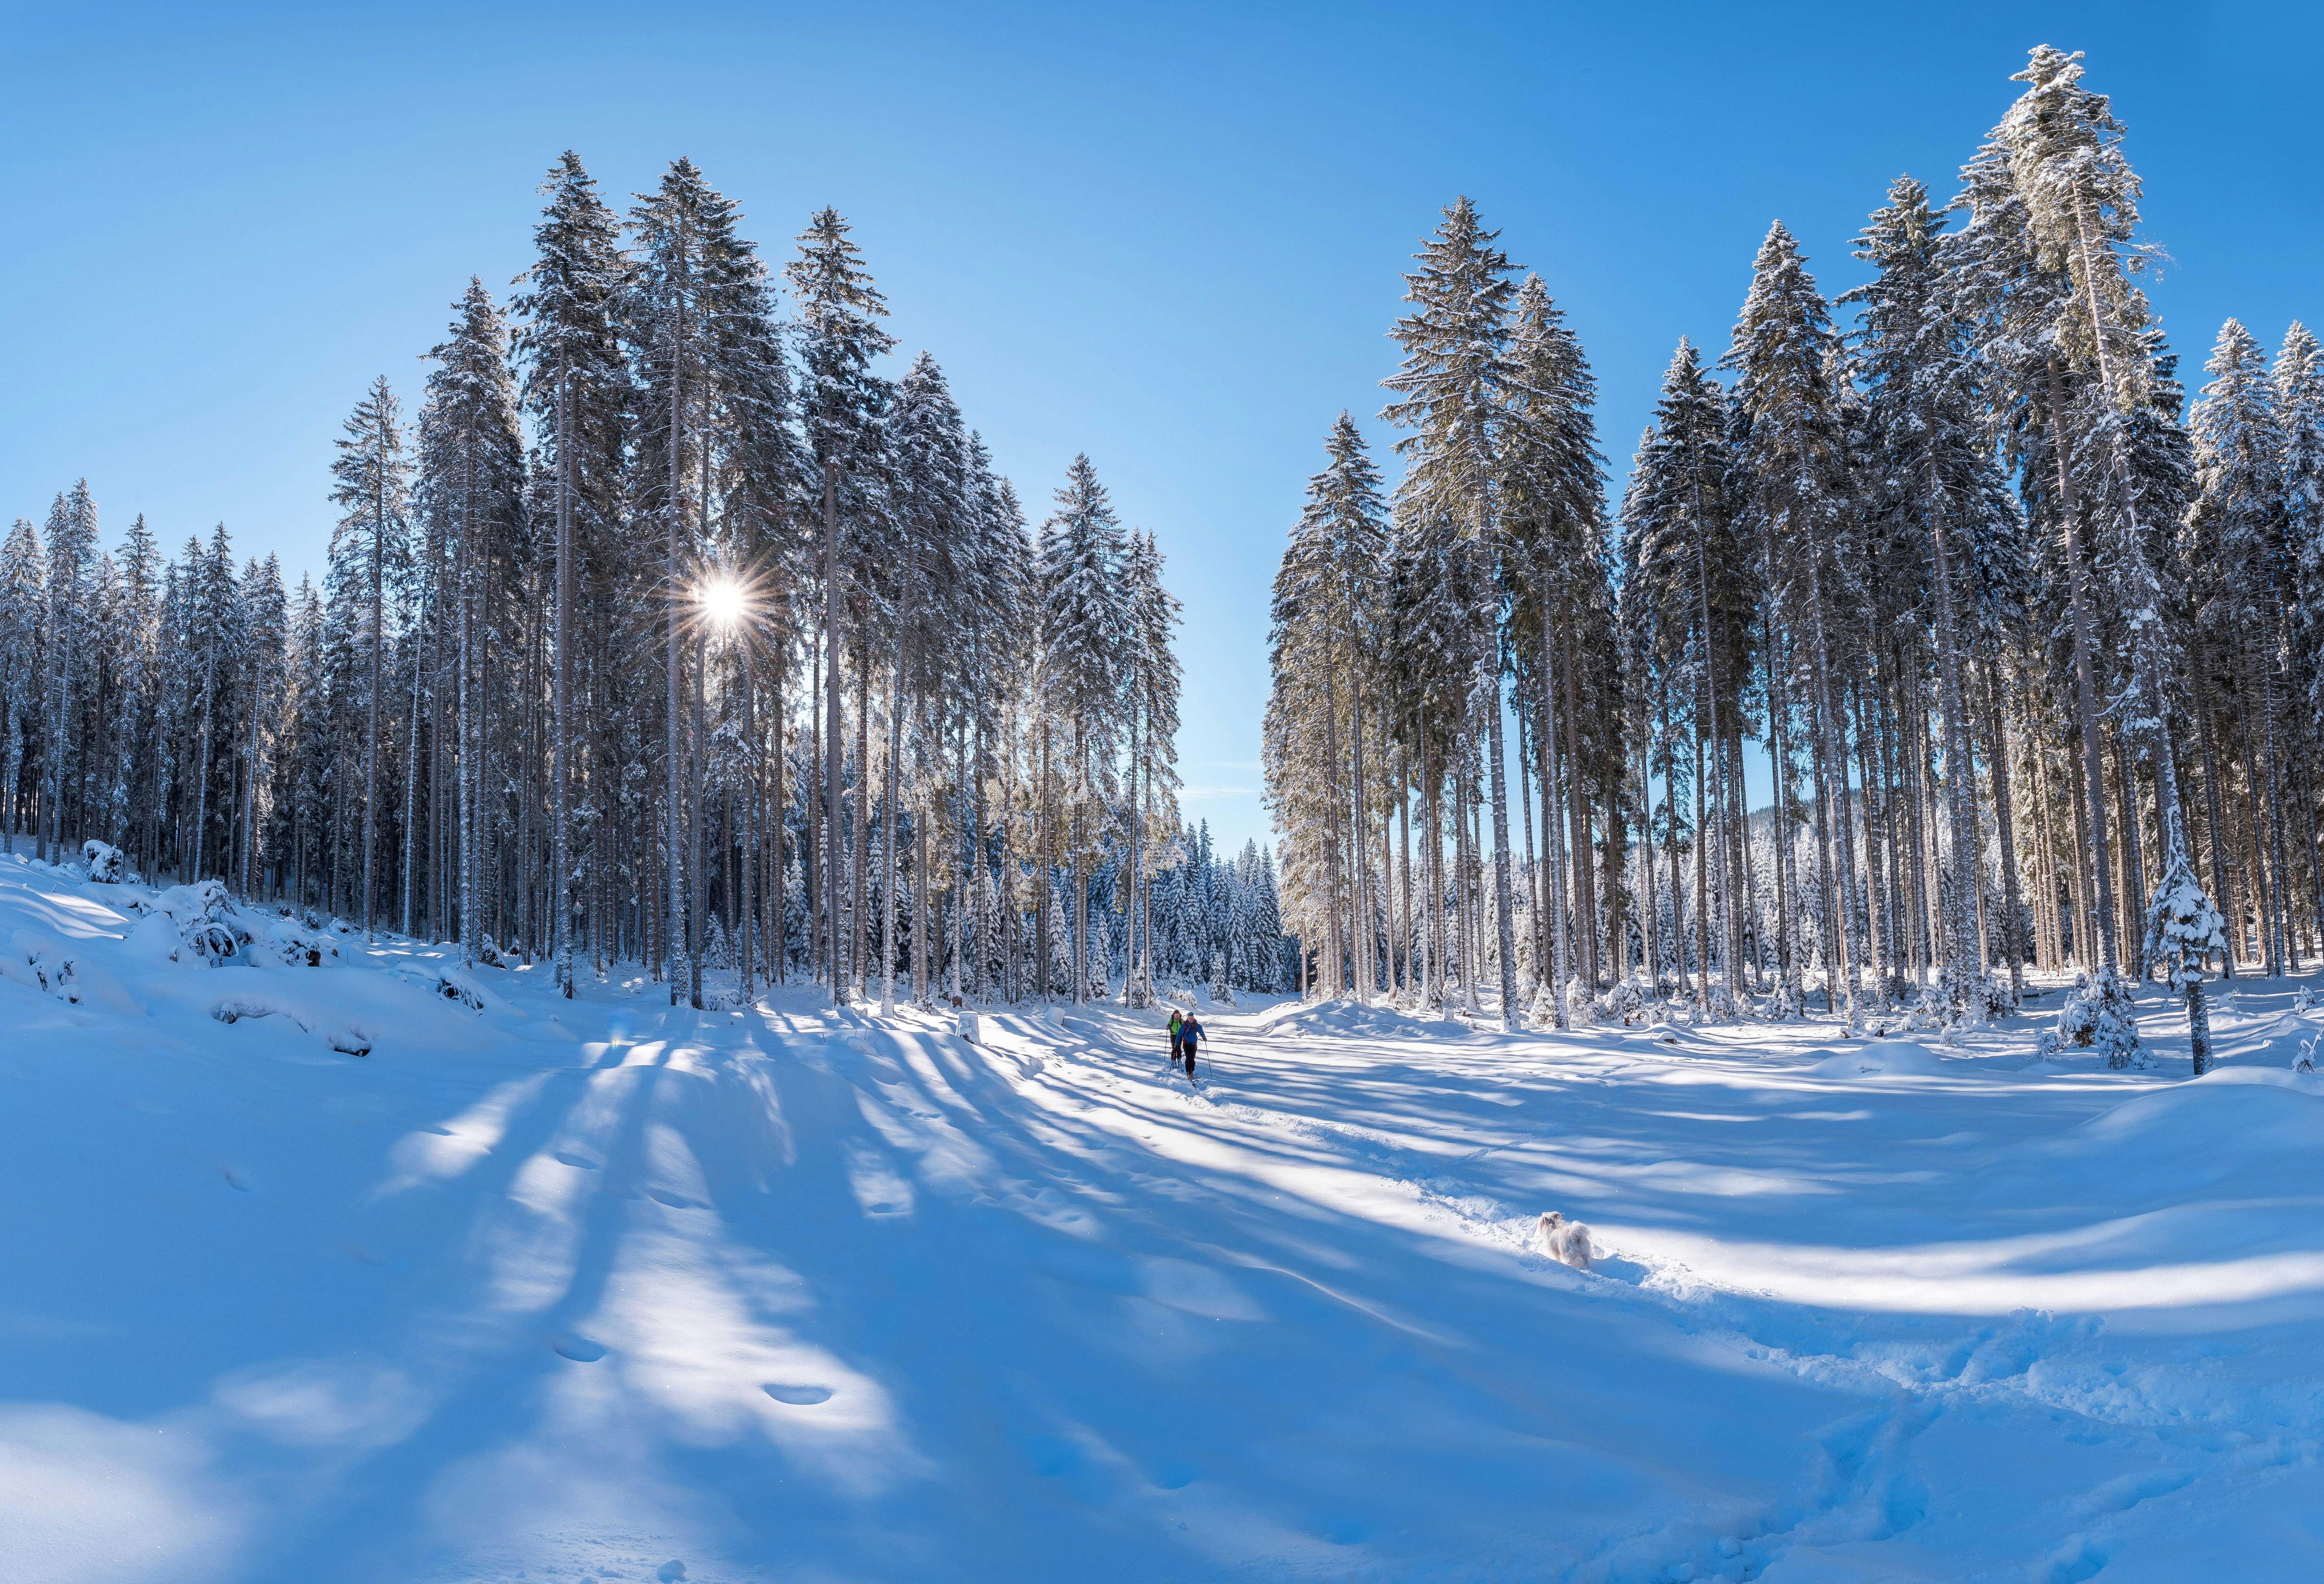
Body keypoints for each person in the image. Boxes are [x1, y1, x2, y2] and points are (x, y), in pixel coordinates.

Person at [1176, 1011, 1205, 1081]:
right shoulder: (1185, 1026)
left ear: (1193, 1018)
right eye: (1190, 1018)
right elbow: (1179, 1034)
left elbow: (1201, 1030)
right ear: (1188, 1018)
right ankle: (1189, 1072)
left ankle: (1192, 1070)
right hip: (1186, 1044)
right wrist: (1177, 1043)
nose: (1191, 1019)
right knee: (1189, 1058)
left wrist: (1204, 1037)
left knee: (1192, 1058)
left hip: (1194, 1044)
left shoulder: (1196, 1025)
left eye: (1192, 1018)